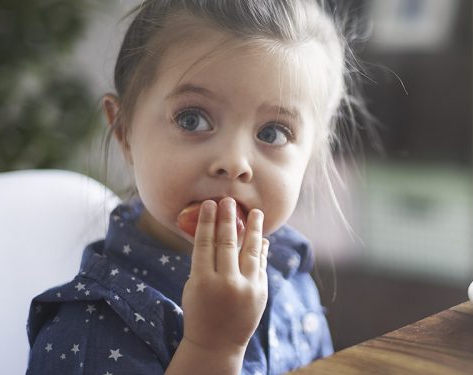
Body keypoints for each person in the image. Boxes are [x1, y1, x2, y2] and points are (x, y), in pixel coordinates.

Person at [26, 0, 372, 373]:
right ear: (124, 131)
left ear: (313, 154)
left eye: (272, 132)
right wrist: (212, 348)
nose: (235, 162)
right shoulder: (89, 331)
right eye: (192, 119)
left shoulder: (289, 273)